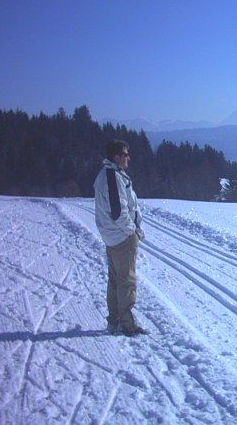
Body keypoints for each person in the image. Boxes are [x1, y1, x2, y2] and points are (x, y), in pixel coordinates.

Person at [94, 139, 146, 336]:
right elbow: (118, 211)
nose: (128, 158)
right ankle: (127, 324)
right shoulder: (112, 177)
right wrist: (132, 230)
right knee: (126, 280)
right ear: (116, 157)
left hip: (112, 236)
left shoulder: (109, 175)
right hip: (121, 237)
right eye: (125, 154)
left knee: (115, 279)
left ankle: (114, 320)